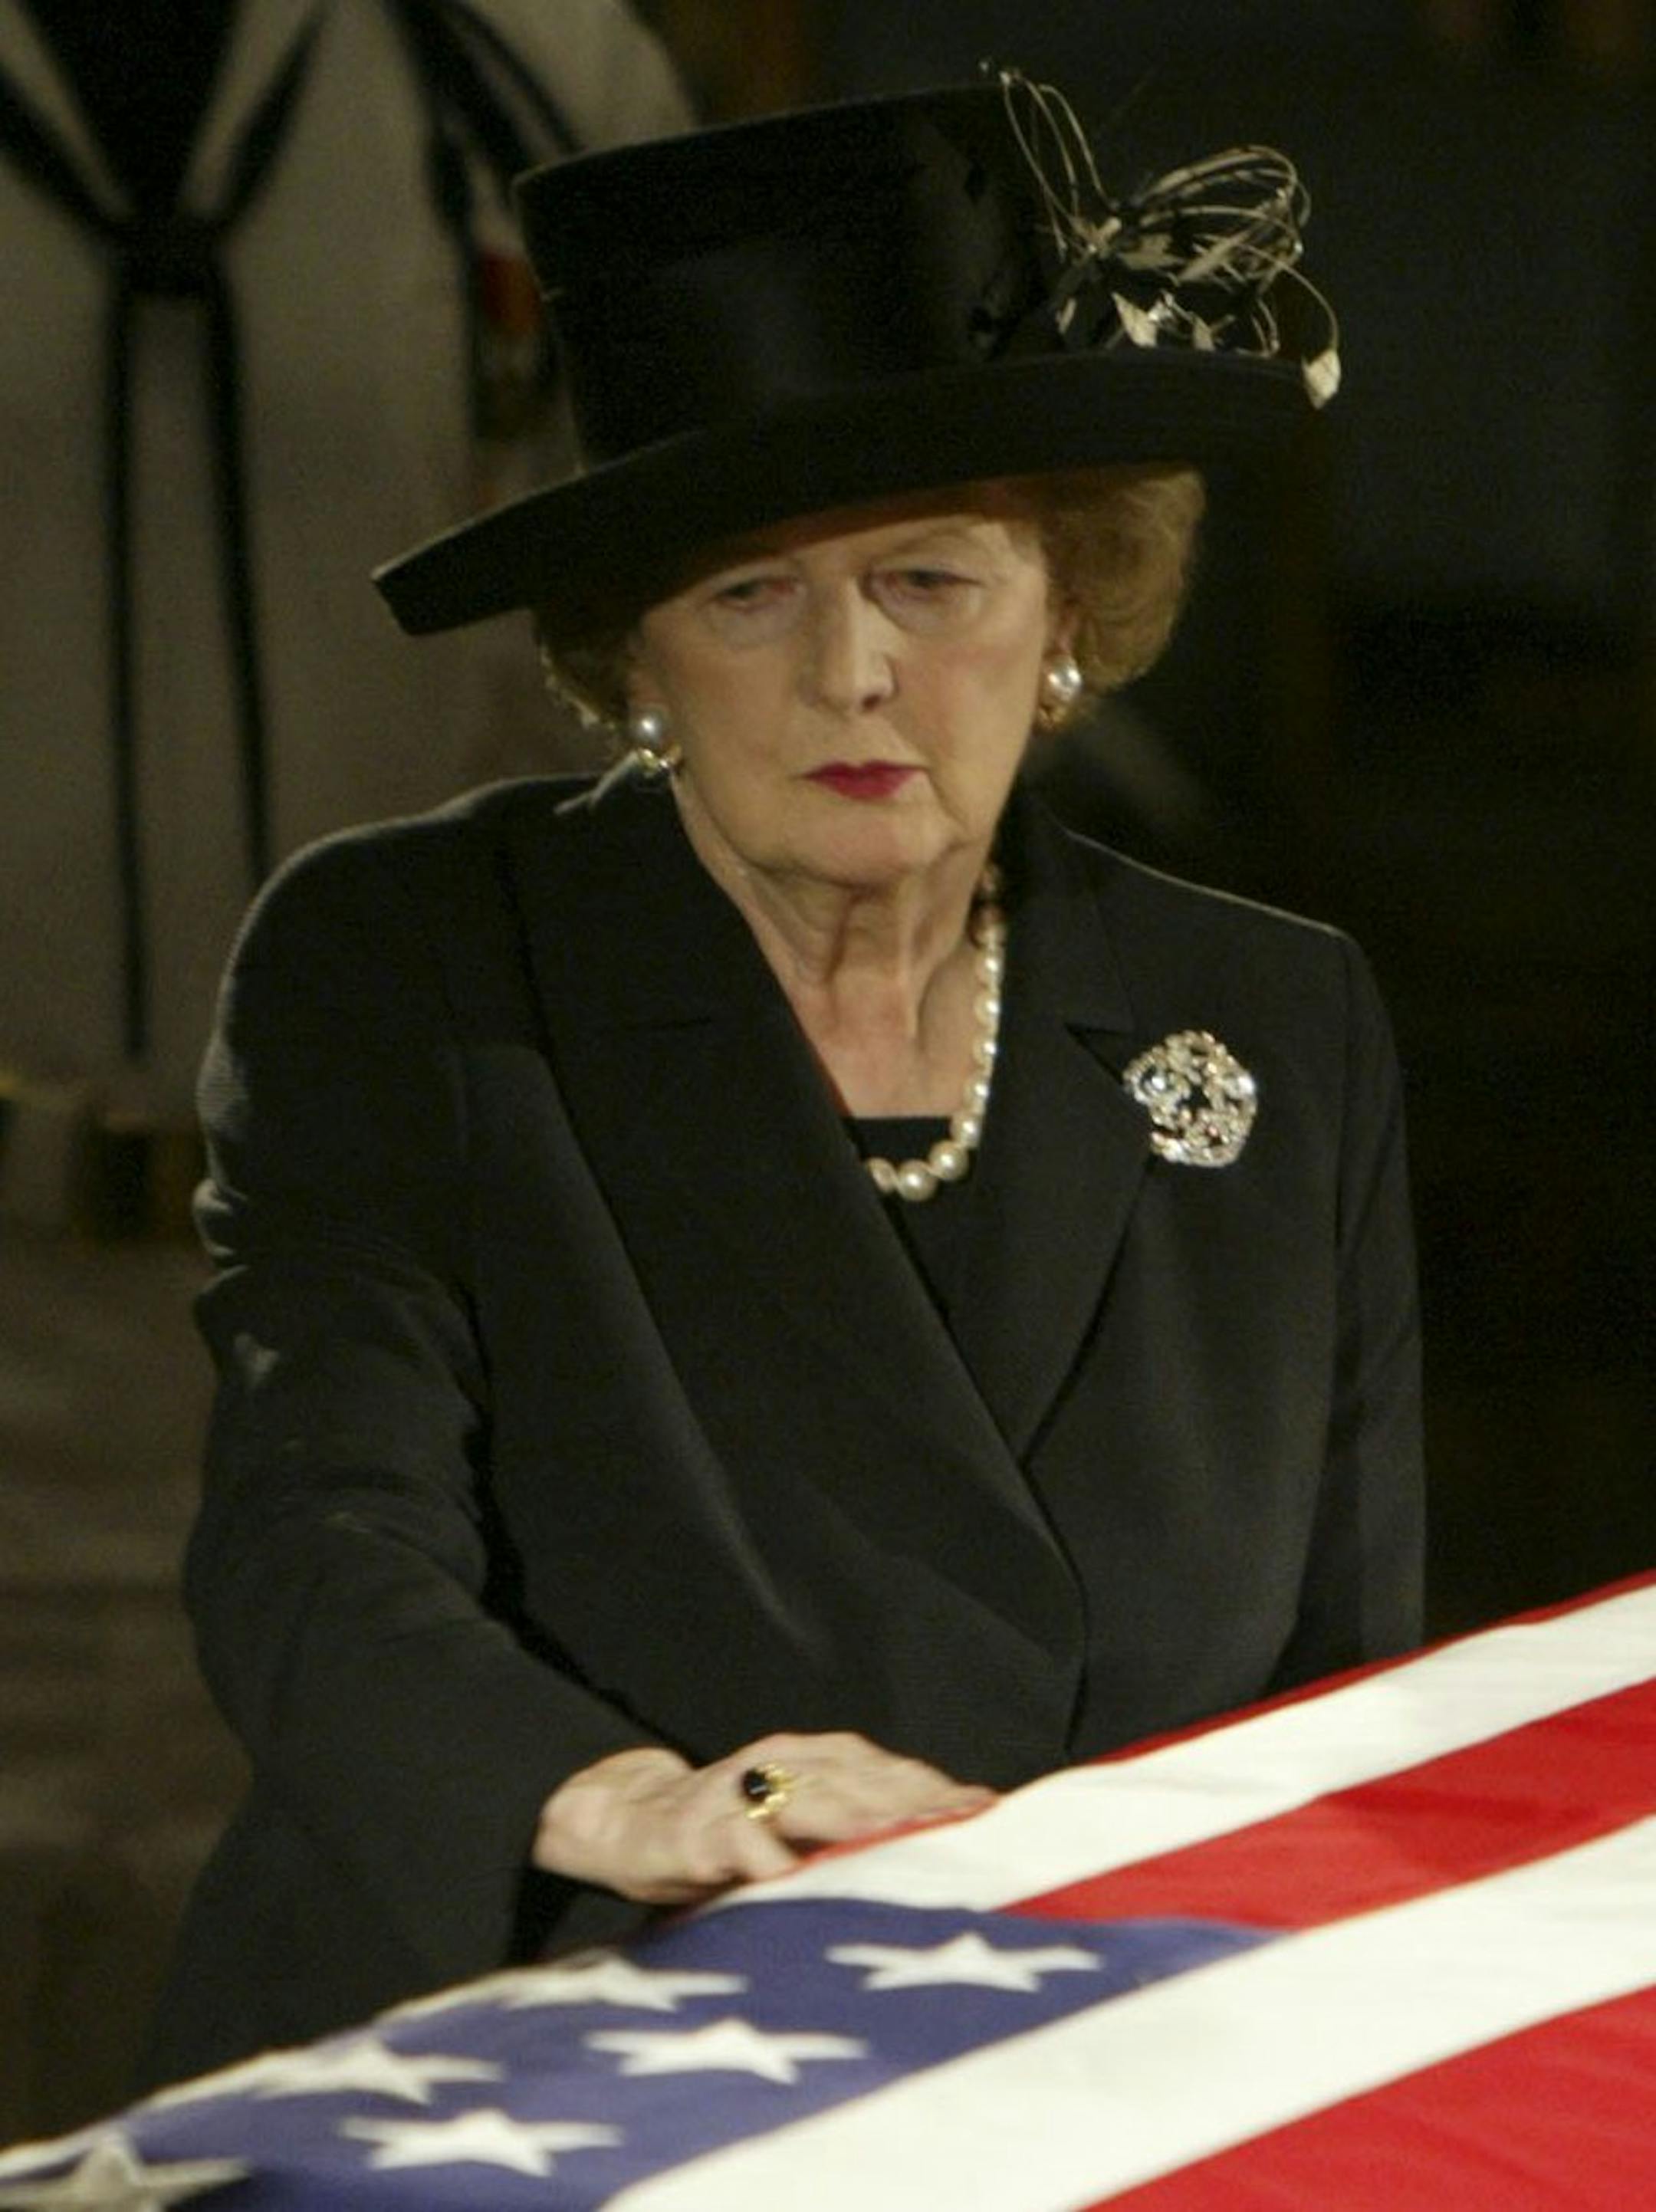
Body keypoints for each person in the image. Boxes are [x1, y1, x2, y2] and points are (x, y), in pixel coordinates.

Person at [142, 76, 1423, 2085]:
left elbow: (1344, 1687)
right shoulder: (416, 966)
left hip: (1094, 2068)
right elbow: (313, 1538)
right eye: (752, 594)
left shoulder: (1271, 1011)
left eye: (933, 580)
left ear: (1069, 617)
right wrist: (642, 1803)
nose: (852, 676)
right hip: (543, 2043)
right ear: (630, 655)